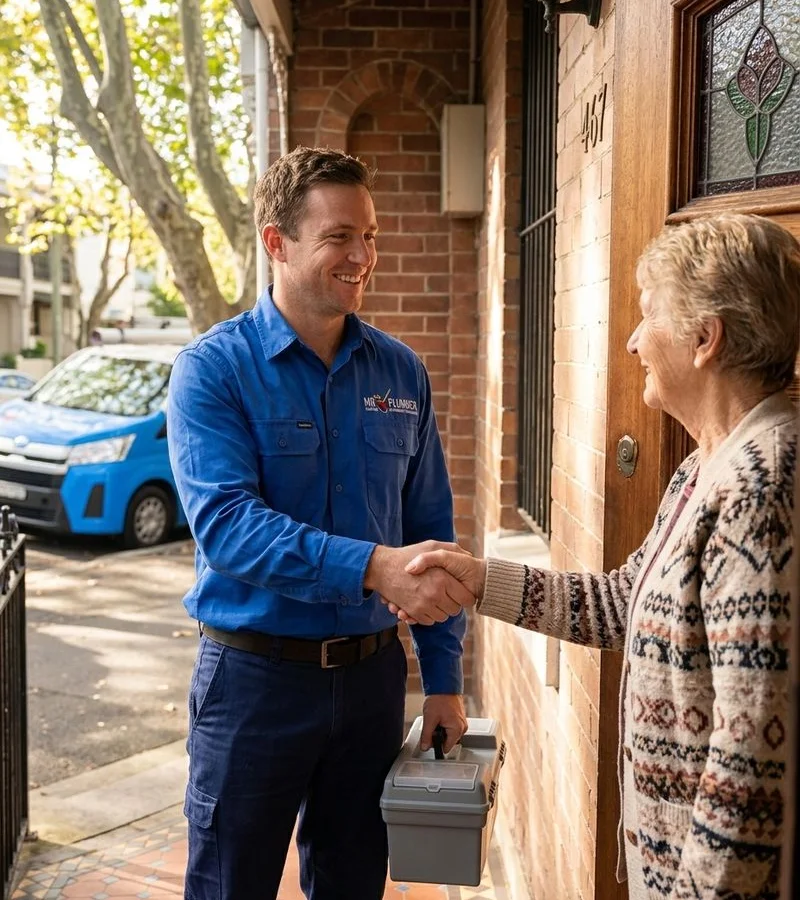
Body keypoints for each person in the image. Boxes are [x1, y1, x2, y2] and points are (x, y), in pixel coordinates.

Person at [398, 214, 800, 899]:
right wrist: (477, 580)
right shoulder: (705, 468)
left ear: (706, 339)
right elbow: (621, 602)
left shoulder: (761, 484)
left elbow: (749, 756)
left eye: (649, 318)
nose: (633, 340)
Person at [167, 146, 470, 900]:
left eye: (370, 236)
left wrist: (442, 679)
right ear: (278, 242)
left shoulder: (402, 372)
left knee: (354, 886)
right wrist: (373, 566)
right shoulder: (212, 370)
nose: (362, 256)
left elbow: (431, 530)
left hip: (372, 682)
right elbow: (229, 528)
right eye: (340, 236)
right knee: (229, 886)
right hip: (252, 685)